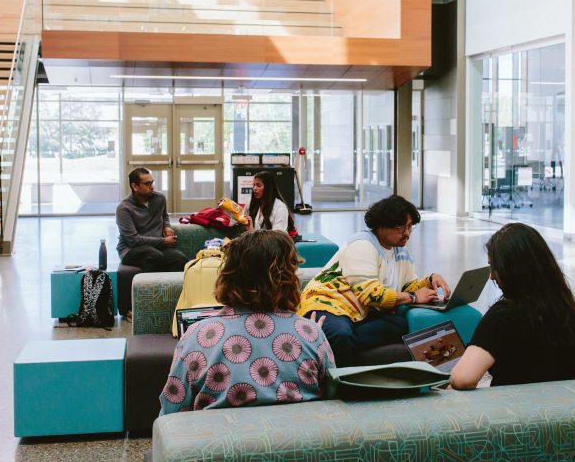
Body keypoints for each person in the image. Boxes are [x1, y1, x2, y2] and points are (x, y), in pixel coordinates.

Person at [159, 230, 334, 413]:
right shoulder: (311, 334)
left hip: (219, 431)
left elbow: (172, 412)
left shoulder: (196, 336)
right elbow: (331, 403)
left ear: (228, 273)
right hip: (297, 431)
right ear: (288, 277)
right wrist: (310, 336)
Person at [297, 195, 451, 367]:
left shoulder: (400, 252)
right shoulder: (362, 245)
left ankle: (329, 343)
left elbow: (407, 285)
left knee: (399, 324)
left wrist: (430, 280)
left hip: (359, 314)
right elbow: (371, 295)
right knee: (341, 334)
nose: (407, 233)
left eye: (409, 227)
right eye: (401, 227)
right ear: (381, 225)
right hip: (328, 303)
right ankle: (343, 381)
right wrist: (413, 297)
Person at [450, 223, 575, 389]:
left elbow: (463, 378)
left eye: (494, 267)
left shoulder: (502, 316)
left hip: (514, 405)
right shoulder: (567, 310)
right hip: (563, 403)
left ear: (512, 270)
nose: (492, 276)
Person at [116, 167, 187, 277]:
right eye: (147, 184)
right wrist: (164, 241)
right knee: (155, 257)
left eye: (152, 182)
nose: (152, 186)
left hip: (156, 246)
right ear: (135, 186)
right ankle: (146, 288)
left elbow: (164, 216)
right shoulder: (124, 208)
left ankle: (170, 288)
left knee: (180, 259)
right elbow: (133, 240)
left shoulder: (160, 198)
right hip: (131, 249)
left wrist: (167, 226)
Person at [242, 170, 296, 234]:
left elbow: (277, 237)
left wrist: (252, 232)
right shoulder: (250, 202)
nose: (254, 188)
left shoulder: (280, 208)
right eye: (253, 185)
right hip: (254, 239)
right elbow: (240, 219)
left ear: (268, 188)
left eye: (258, 185)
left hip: (274, 240)